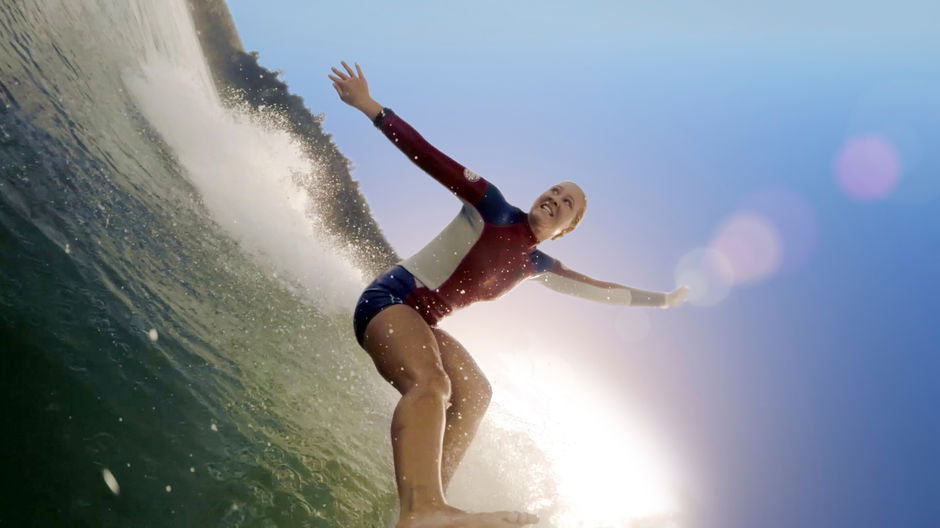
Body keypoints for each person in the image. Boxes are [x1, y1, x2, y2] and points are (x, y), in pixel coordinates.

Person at [329, 61, 689, 528]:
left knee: (475, 393)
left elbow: (606, 293)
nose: (556, 199)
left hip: (423, 322)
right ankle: (422, 510)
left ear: (564, 230)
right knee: (433, 384)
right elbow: (428, 155)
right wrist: (371, 108)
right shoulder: (492, 205)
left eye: (567, 205)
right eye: (555, 190)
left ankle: (431, 502)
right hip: (389, 302)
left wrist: (663, 300)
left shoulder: (537, 265)